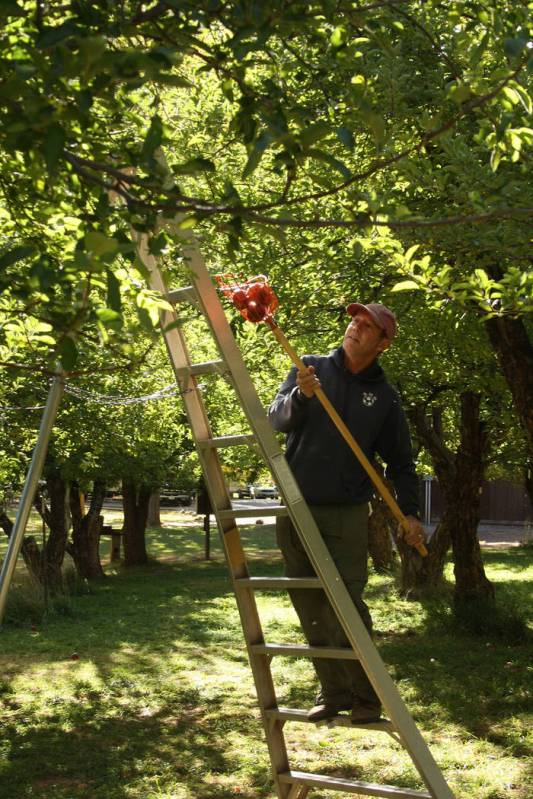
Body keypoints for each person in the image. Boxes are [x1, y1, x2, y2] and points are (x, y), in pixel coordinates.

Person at [268, 302, 426, 723]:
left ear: (383, 343)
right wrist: (301, 395)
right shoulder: (309, 368)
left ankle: (367, 697)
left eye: (367, 326)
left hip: (346, 514)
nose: (355, 327)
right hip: (296, 507)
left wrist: (409, 513)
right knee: (309, 607)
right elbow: (276, 420)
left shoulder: (385, 398)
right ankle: (333, 692)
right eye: (354, 321)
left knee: (348, 606)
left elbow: (401, 461)